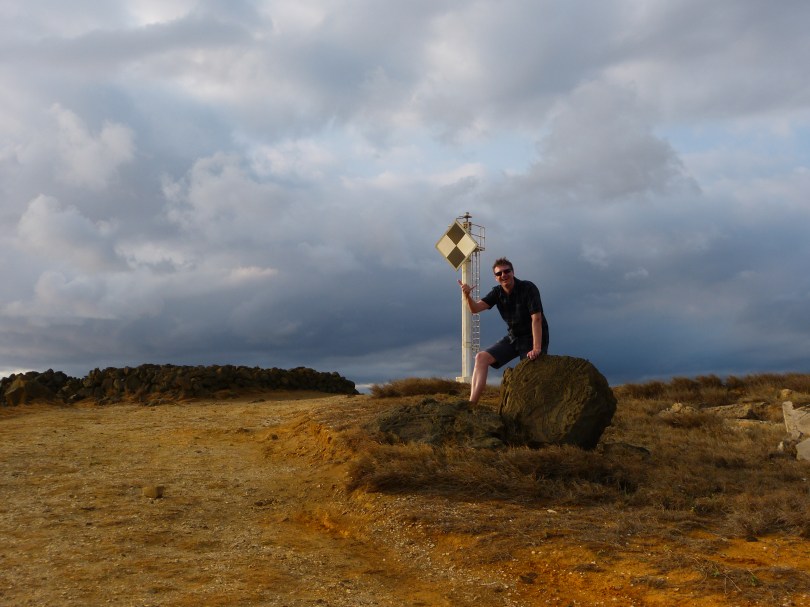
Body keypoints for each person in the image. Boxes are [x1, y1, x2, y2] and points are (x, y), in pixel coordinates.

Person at [458, 257, 549, 404]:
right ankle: (471, 405)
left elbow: (536, 319)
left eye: (506, 271)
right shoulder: (497, 293)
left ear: (513, 272)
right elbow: (475, 309)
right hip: (514, 336)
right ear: (496, 278)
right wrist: (467, 295)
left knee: (528, 376)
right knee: (481, 357)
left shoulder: (528, 288)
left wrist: (536, 348)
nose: (503, 275)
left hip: (533, 336)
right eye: (499, 274)